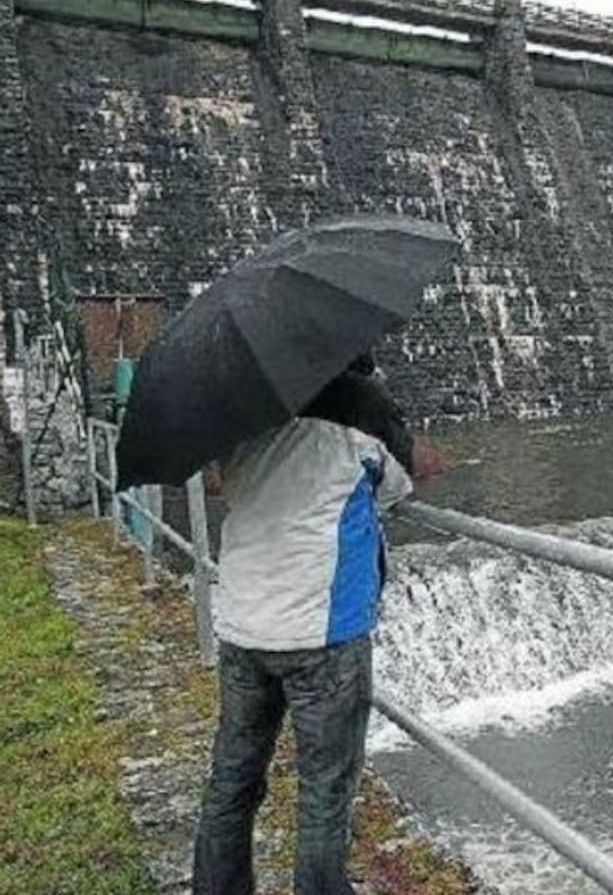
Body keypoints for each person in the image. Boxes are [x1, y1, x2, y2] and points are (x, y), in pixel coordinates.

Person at [192, 356, 422, 895]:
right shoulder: (363, 401)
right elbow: (397, 485)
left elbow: (224, 482)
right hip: (324, 630)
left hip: (246, 622)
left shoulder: (240, 403)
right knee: (324, 789)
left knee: (233, 778)